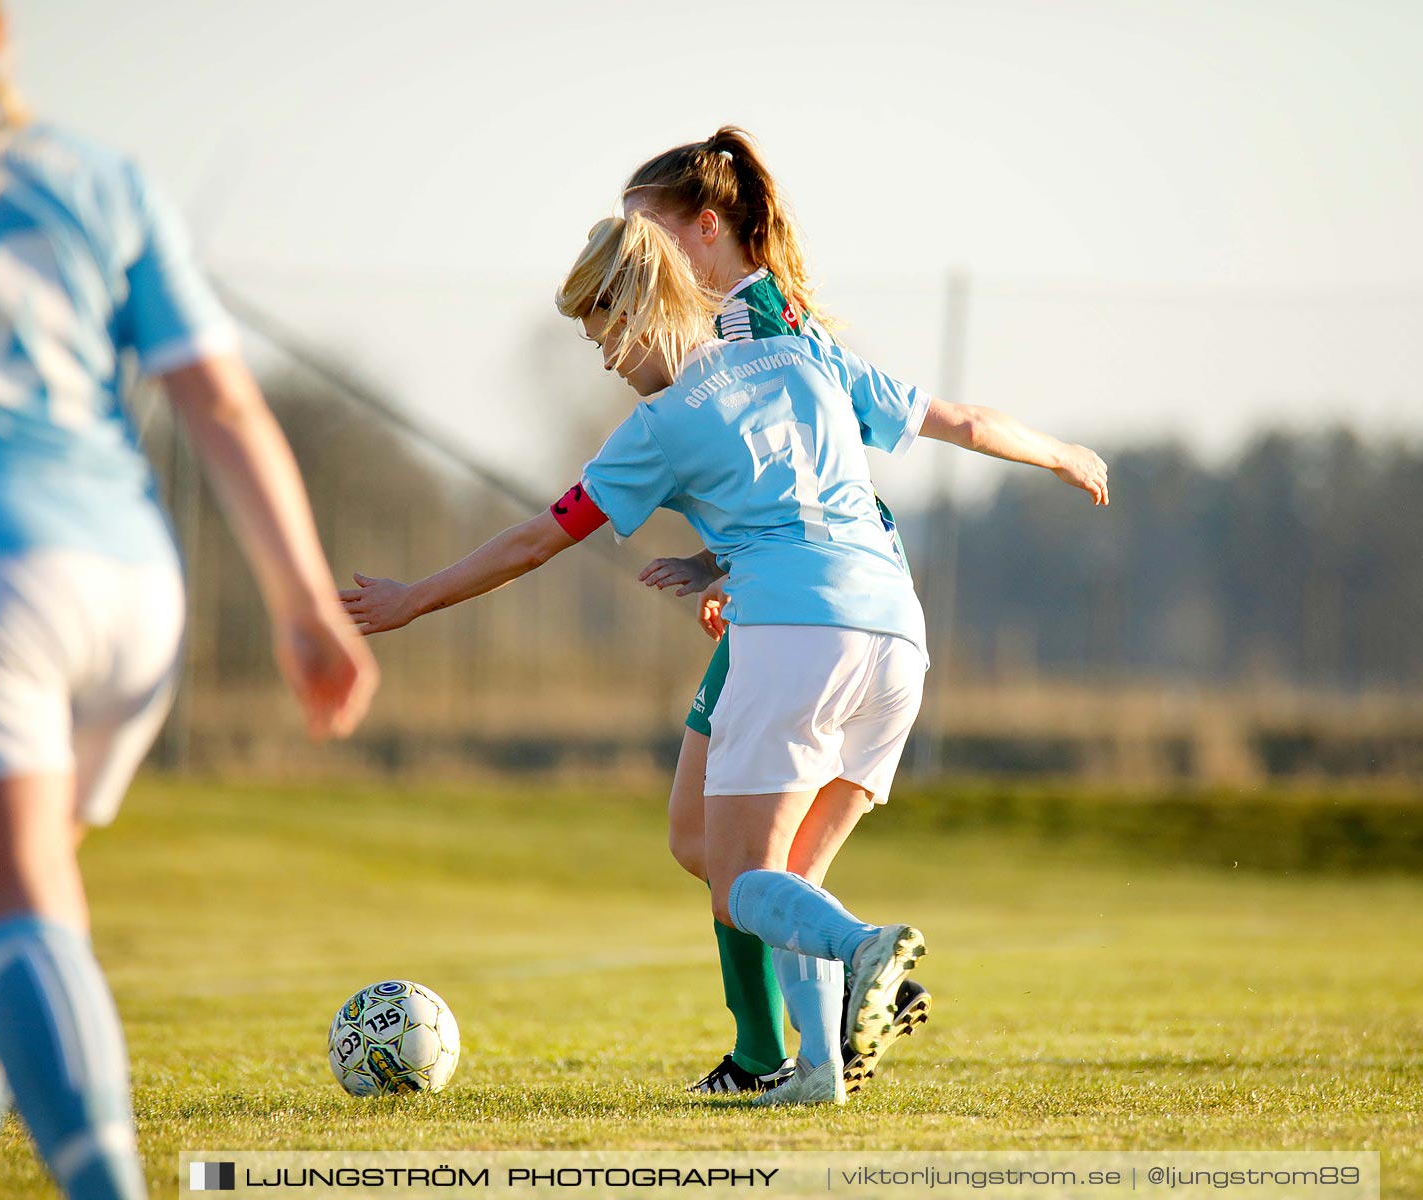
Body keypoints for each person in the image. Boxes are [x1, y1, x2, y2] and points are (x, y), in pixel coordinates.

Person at [340, 212, 1106, 1106]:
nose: (606, 361)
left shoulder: (659, 427)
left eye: (605, 335)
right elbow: (963, 421)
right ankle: (816, 1073)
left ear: (643, 313)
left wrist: (412, 600)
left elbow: (533, 542)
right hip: (896, 634)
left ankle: (869, 955)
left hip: (791, 635)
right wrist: (1061, 452)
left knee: (741, 880)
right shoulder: (806, 354)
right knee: (784, 880)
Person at [0, 3, 379, 1197]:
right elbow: (220, 403)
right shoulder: (98, 177)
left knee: (19, 911)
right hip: (130, 588)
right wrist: (303, 600)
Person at [618, 127, 1108, 1096]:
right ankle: (819, 1045)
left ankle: (795, 1036)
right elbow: (822, 475)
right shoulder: (796, 336)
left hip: (806, 624)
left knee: (746, 868)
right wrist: (720, 559)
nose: (629, 261)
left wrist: (1057, 452)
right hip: (849, 615)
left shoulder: (740, 342)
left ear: (705, 230)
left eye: (644, 234)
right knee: (724, 851)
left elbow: (780, 479)